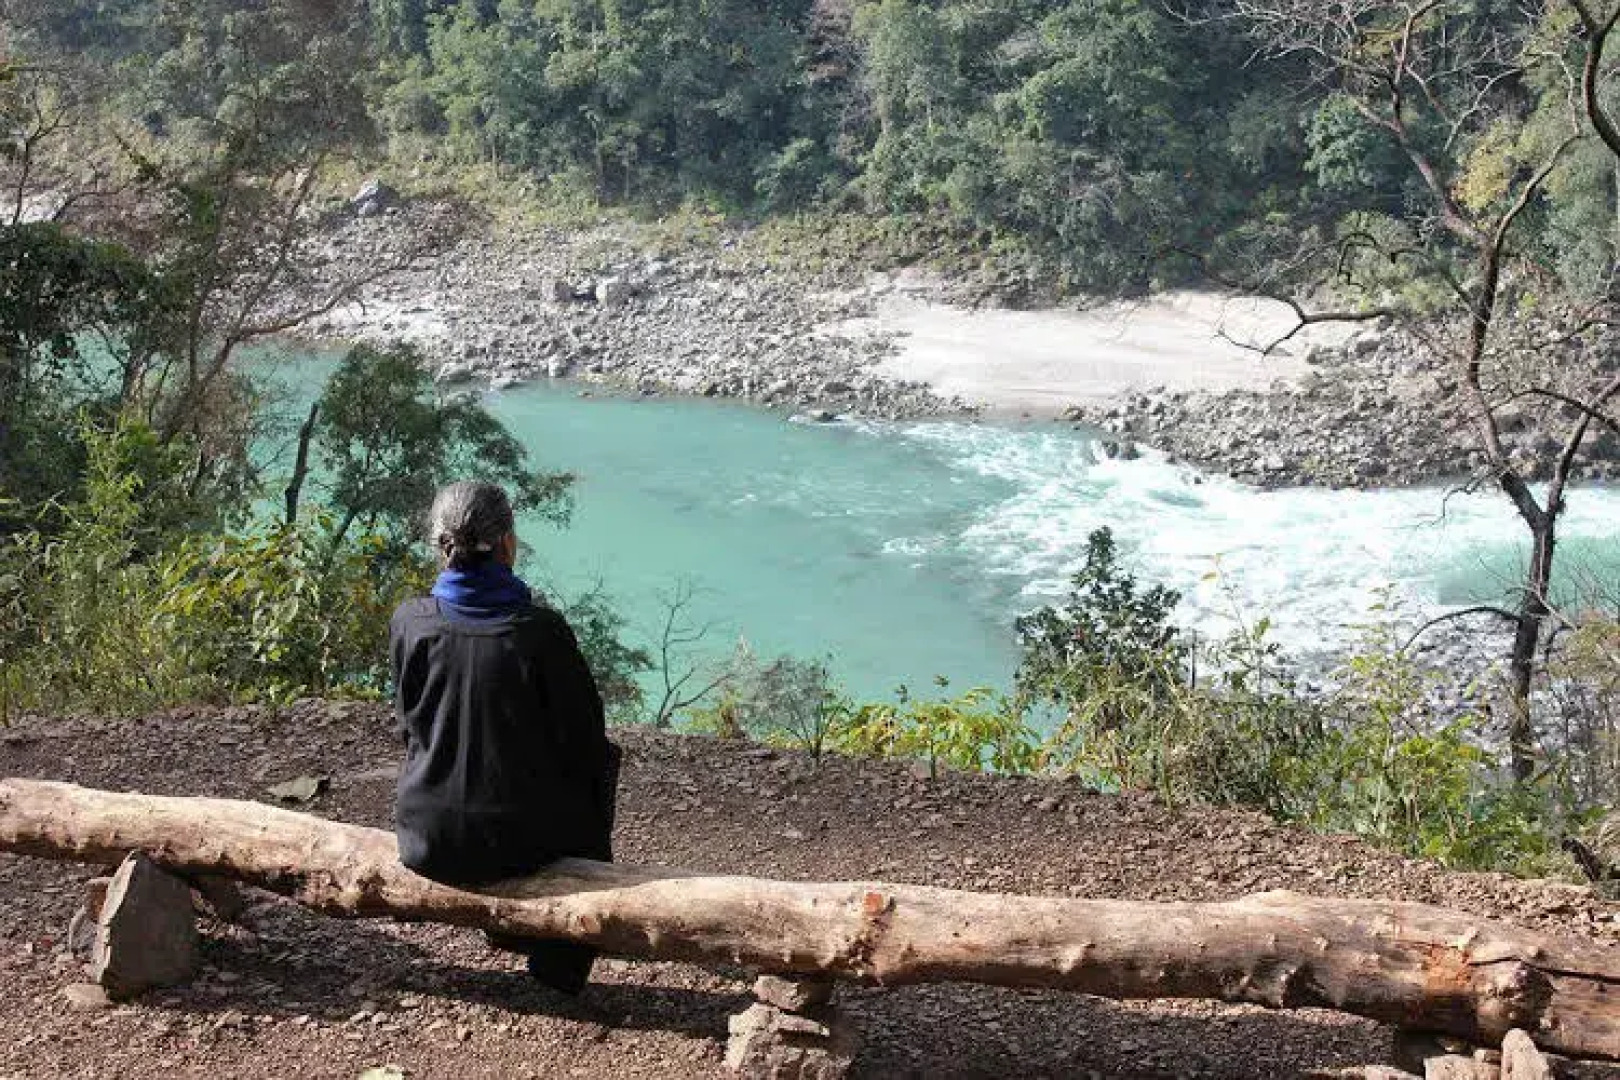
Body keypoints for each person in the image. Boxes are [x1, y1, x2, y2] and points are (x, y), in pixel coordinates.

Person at [389, 480, 619, 995]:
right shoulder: (539, 632)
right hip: (517, 844)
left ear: (440, 546)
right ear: (509, 544)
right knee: (597, 769)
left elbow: (408, 726)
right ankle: (559, 959)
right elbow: (585, 740)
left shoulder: (411, 621)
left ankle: (516, 932)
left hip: (425, 834)